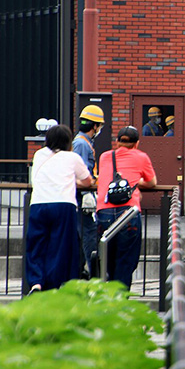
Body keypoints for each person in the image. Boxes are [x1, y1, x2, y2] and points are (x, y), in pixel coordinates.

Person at [26, 124, 93, 294]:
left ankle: (36, 282)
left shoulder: (39, 154)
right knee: (59, 246)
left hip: (38, 203)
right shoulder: (72, 157)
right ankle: (53, 286)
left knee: (36, 244)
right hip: (63, 204)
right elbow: (88, 181)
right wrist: (72, 181)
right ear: (68, 141)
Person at [95, 126, 157, 289]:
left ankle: (106, 296)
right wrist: (136, 184)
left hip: (104, 211)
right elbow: (152, 182)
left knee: (107, 258)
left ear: (117, 142)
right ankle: (120, 300)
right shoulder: (141, 157)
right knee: (126, 259)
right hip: (128, 213)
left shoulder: (105, 157)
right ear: (137, 143)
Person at [72, 105, 105, 277]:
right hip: (82, 196)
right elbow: (81, 171)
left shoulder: (83, 142)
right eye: (99, 125)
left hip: (84, 195)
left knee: (83, 235)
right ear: (95, 126)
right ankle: (94, 274)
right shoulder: (81, 144)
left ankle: (79, 273)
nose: (99, 129)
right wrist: (86, 194)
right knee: (88, 234)